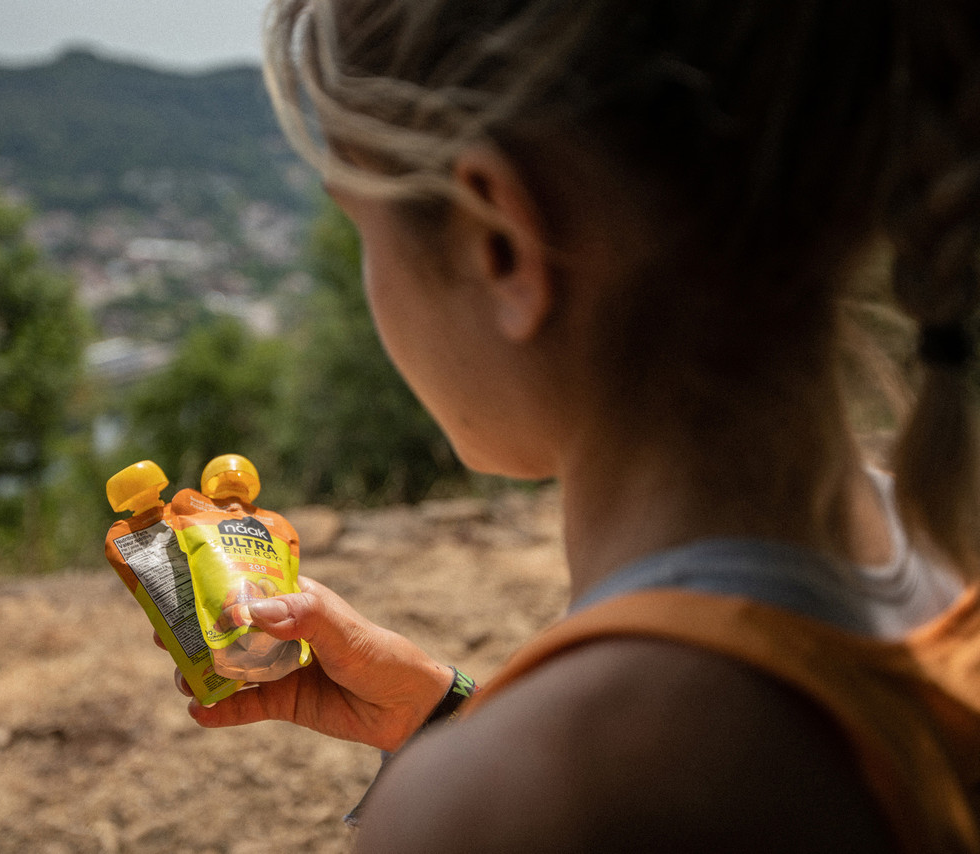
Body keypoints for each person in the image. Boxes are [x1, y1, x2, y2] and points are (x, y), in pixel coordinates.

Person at [166, 1, 980, 849]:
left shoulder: (539, 798)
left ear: (501, 244)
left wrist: (482, 775)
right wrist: (452, 722)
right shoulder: (943, 561)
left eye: (358, 223)